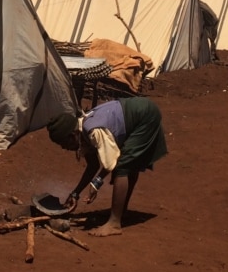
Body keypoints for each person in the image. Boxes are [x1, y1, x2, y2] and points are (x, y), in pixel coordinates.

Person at [46, 96, 167, 237]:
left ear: (72, 135)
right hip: (138, 112)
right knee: (128, 163)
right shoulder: (83, 130)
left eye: (64, 143)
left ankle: (114, 223)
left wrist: (96, 183)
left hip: (145, 116)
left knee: (122, 167)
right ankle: (122, 211)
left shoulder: (93, 131)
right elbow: (93, 165)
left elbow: (111, 162)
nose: (64, 148)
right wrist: (75, 193)